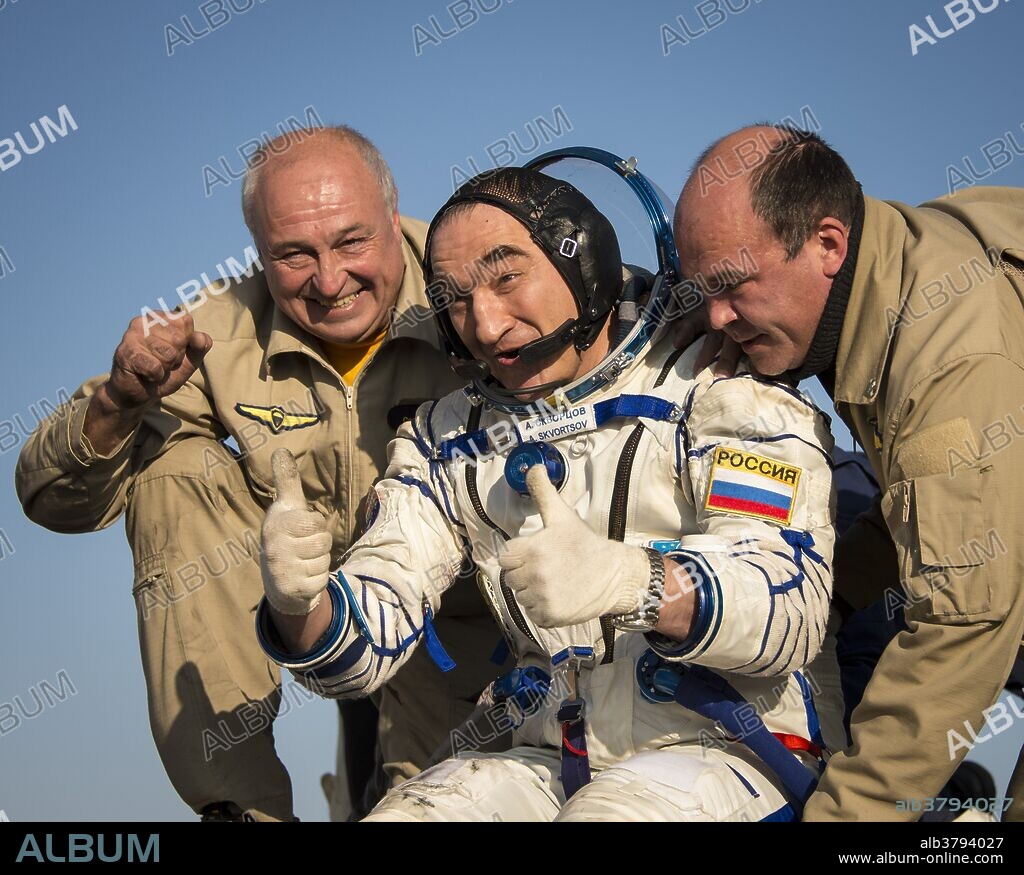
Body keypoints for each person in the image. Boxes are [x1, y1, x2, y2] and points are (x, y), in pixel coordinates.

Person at [256, 164, 846, 821]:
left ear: (584, 261)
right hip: (552, 762)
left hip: (728, 753)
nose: (485, 322)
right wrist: (298, 605)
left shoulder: (719, 385)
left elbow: (787, 608)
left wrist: (636, 581)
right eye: (455, 297)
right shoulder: (448, 437)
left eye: (507, 276)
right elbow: (369, 632)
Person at [15, 126, 501, 821]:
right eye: (293, 254)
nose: (330, 282)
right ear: (259, 253)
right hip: (295, 600)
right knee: (175, 469)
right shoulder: (213, 332)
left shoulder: (483, 285)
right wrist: (118, 401)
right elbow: (50, 497)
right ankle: (238, 807)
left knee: (432, 804)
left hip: (451, 617)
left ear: (395, 217)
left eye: (351, 241)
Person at [673, 124, 1024, 821]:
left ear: (828, 244)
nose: (716, 316)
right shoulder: (870, 291)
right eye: (700, 291)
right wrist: (821, 604)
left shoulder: (947, 354)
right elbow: (921, 514)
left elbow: (966, 621)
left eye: (733, 284)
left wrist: (844, 815)